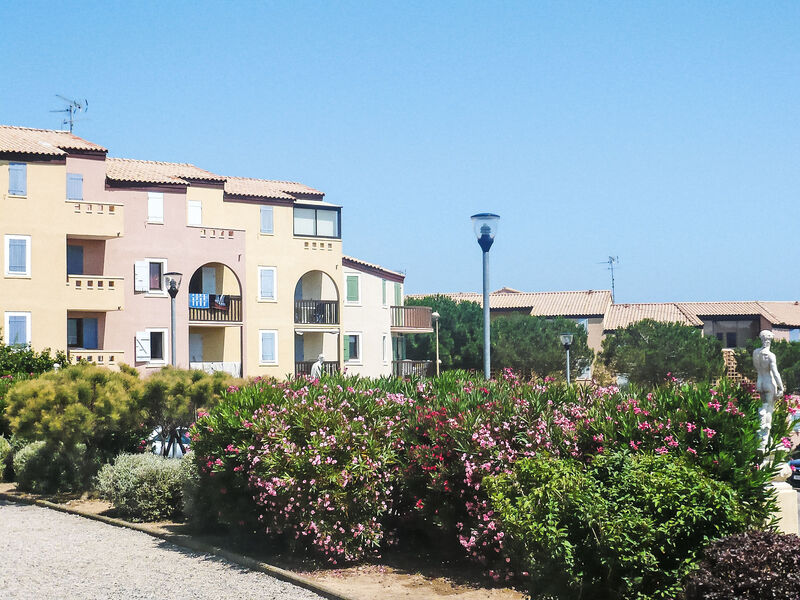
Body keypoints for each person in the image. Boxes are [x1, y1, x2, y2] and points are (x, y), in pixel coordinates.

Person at [753, 330, 784, 451]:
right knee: (769, 410)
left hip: (760, 382)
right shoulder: (770, 355)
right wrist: (781, 387)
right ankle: (765, 438)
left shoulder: (756, 353)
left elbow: (757, 368)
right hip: (769, 383)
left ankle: (761, 437)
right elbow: (775, 373)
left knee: (763, 407)